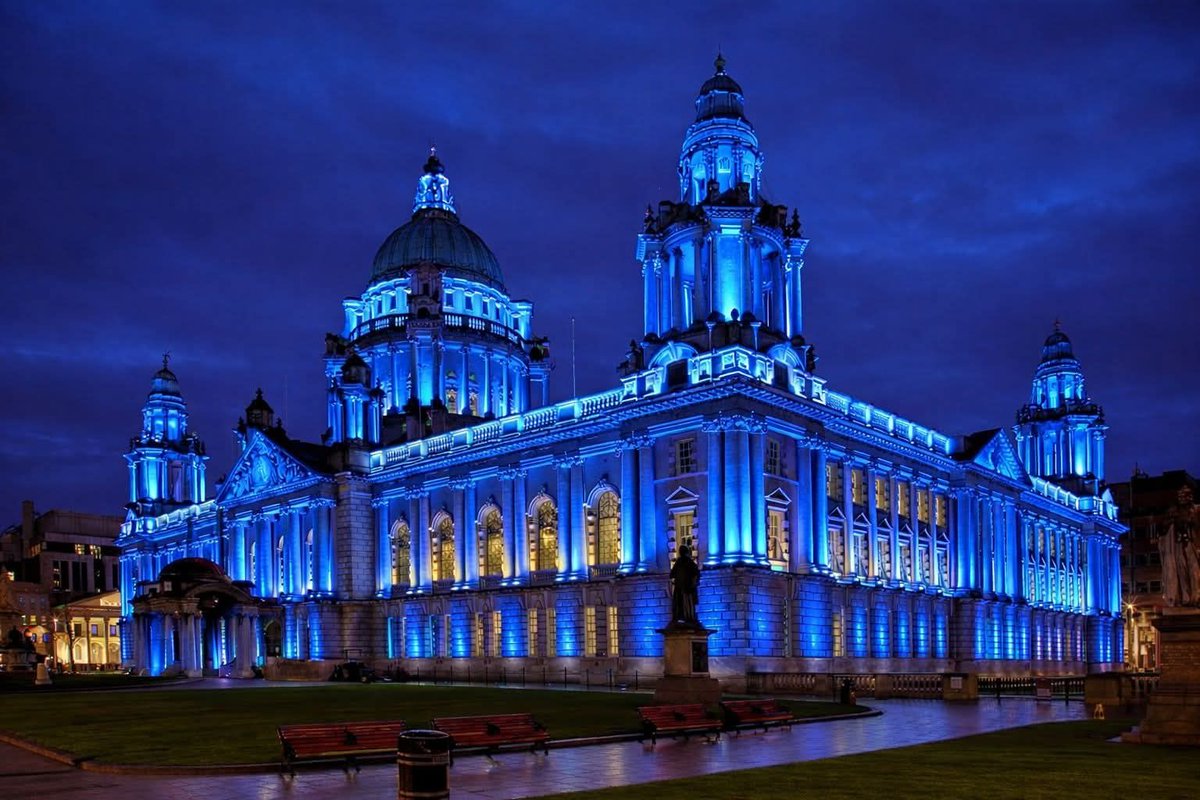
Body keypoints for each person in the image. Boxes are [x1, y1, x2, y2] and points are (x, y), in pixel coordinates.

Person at [669, 544, 701, 628]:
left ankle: (681, 618)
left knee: (680, 605)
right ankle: (689, 618)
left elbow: (672, 575)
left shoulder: (679, 562)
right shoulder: (689, 562)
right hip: (687, 589)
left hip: (681, 589)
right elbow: (697, 574)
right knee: (688, 605)